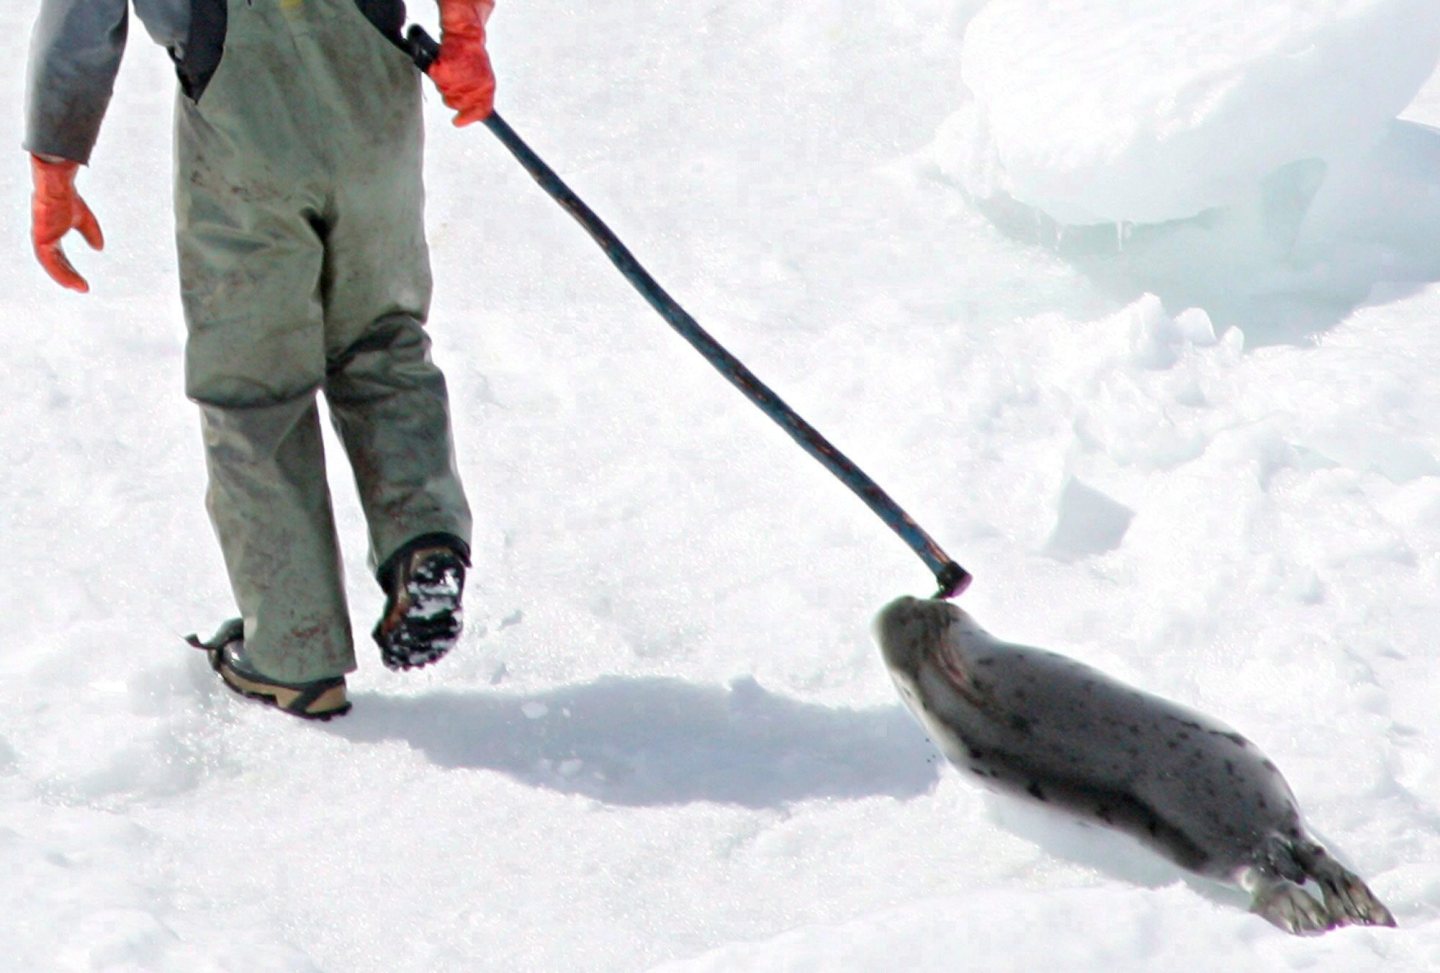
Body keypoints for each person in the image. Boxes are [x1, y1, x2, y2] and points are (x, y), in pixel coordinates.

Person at [25, 0, 498, 719]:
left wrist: (54, 164)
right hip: (372, 103)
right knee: (383, 343)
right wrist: (464, 33)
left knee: (254, 390)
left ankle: (293, 652)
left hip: (244, 131)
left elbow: (79, 18)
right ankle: (421, 545)